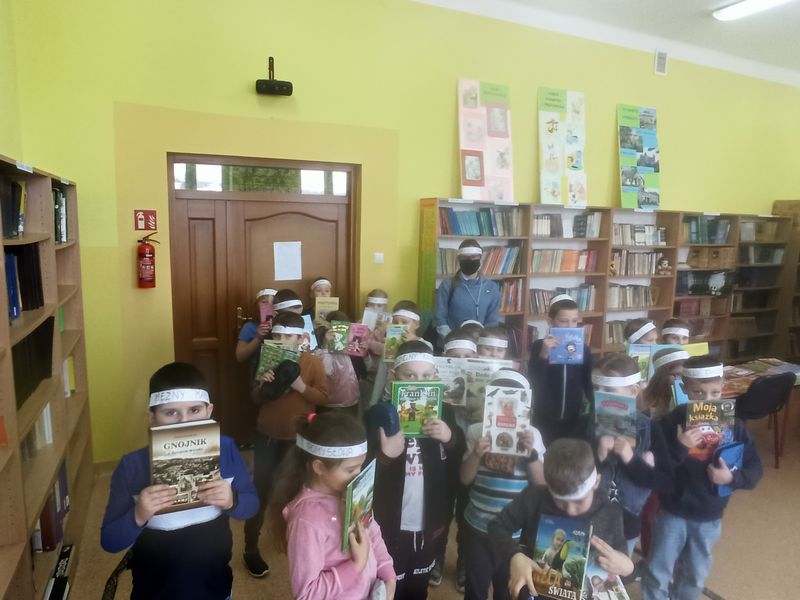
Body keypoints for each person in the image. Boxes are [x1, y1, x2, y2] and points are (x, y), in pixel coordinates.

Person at [100, 362, 259, 600]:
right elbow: (110, 541)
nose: (184, 421)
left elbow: (252, 504)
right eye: (170, 412)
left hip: (215, 589)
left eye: (194, 410)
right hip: (154, 593)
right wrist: (139, 514)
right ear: (151, 417)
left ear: (209, 411)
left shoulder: (225, 449)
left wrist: (232, 500)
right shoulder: (131, 467)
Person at [641, 355, 763, 600]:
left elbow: (755, 468)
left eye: (715, 393)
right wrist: (680, 447)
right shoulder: (670, 422)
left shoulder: (734, 425)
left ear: (722, 388)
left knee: (695, 574)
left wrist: (731, 478)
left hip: (709, 515)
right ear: (685, 388)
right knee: (658, 569)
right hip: (672, 511)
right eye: (698, 393)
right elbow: (658, 472)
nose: (707, 400)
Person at [370, 342, 465, 600]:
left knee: (418, 586)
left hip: (428, 521)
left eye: (426, 376)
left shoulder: (445, 412)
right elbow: (362, 472)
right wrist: (384, 456)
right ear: (393, 377)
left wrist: (450, 438)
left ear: (435, 378)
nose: (418, 382)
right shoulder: (379, 415)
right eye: (409, 375)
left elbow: (457, 466)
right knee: (390, 583)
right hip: (389, 522)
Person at [270, 412, 396, 600]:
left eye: (360, 466)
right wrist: (355, 566)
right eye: (350, 469)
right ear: (319, 467)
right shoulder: (306, 521)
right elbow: (306, 594)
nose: (358, 475)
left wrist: (387, 573)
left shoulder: (350, 491)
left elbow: (371, 532)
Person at [488, 438, 634, 600]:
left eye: (579, 501)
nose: (570, 510)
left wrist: (627, 566)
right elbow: (496, 527)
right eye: (561, 502)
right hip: (533, 592)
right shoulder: (534, 497)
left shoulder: (610, 512)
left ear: (597, 482)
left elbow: (621, 559)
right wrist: (514, 555)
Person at [243, 312, 330, 577]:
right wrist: (262, 385)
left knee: (297, 491)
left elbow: (324, 397)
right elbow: (255, 398)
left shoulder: (313, 362)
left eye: (287, 336)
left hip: (298, 440)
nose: (281, 340)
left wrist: (301, 386)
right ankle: (250, 547)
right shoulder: (267, 358)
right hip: (267, 435)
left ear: (301, 338)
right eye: (277, 335)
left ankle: (296, 540)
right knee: (261, 489)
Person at [461, 369, 545, 600]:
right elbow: (465, 478)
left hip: (513, 534)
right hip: (478, 526)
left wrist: (531, 454)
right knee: (475, 587)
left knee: (507, 589)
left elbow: (541, 484)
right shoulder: (477, 430)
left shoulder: (533, 434)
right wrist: (476, 454)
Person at [593, 354, 673, 557]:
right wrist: (598, 456)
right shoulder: (585, 425)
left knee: (617, 571)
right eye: (595, 388)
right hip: (588, 516)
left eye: (609, 390)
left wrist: (632, 461)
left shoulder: (650, 430)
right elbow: (571, 476)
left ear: (633, 391)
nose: (600, 394)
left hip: (626, 522)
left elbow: (665, 481)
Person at [528, 294, 594, 445]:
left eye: (574, 321)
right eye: (563, 321)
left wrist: (595, 410)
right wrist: (544, 355)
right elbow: (534, 382)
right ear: (550, 321)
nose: (570, 326)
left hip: (574, 419)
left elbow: (589, 384)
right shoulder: (539, 346)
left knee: (568, 453)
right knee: (546, 452)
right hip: (544, 418)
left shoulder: (583, 349)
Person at [434, 239, 501, 340]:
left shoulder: (492, 287)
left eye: (474, 257)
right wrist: (452, 339)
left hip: (480, 343)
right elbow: (440, 317)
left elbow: (492, 321)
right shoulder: (447, 285)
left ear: (480, 258)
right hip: (453, 341)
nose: (469, 260)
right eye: (465, 257)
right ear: (459, 259)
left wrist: (484, 341)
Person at [315, 310, 363, 417]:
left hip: (351, 401)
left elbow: (362, 373)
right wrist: (326, 346)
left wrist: (362, 348)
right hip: (329, 403)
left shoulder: (351, 352)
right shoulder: (321, 351)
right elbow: (325, 371)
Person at [235, 287, 278, 370]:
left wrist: (276, 327)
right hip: (258, 370)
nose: (269, 306)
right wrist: (258, 338)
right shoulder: (249, 327)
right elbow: (240, 357)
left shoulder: (284, 325)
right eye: (264, 302)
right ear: (257, 306)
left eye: (273, 302)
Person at [642, 347, 689, 419]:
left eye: (687, 374)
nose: (685, 379)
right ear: (661, 376)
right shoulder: (646, 402)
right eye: (678, 374)